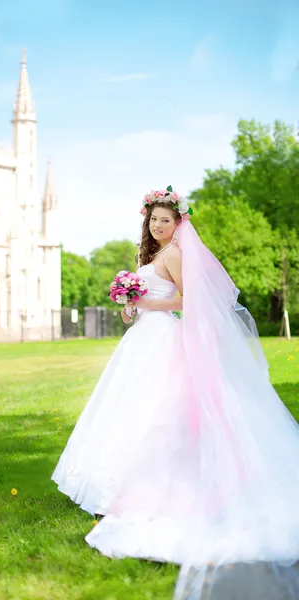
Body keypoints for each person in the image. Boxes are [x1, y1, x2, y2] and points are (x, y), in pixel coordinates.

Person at [52, 188, 299, 599]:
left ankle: (154, 489)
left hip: (166, 338)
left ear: (178, 223)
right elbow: (145, 302)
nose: (158, 226)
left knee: (158, 409)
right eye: (153, 220)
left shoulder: (176, 255)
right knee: (126, 408)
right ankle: (113, 485)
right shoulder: (148, 258)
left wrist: (145, 302)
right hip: (142, 339)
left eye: (165, 220)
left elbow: (189, 299)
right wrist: (130, 306)